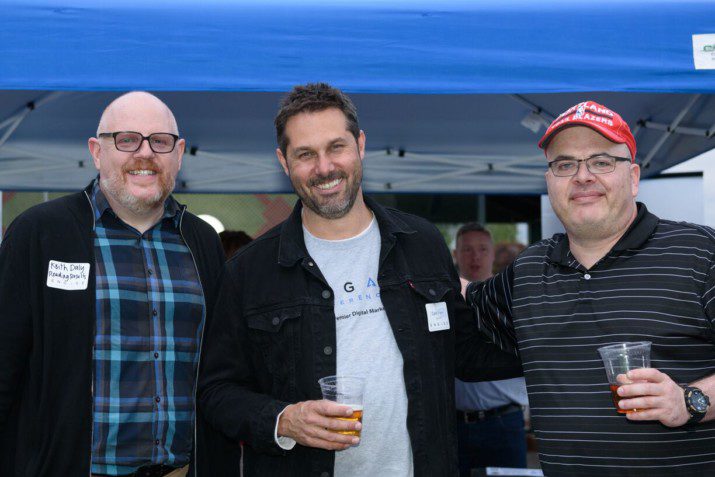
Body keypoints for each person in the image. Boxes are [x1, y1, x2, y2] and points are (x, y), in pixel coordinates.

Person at [198, 82, 522, 476]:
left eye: (336, 147)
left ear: (360, 145)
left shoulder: (421, 243)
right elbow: (216, 391)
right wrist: (283, 419)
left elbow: (465, 351)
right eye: (305, 154)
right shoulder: (249, 271)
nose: (324, 167)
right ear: (284, 162)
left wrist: (562, 341)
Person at [467, 100, 715, 476]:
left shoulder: (700, 253)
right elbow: (462, 299)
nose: (582, 176)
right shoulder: (530, 270)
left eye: (601, 161)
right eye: (565, 164)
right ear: (549, 180)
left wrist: (690, 401)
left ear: (632, 177)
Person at [0, 91, 234, 477]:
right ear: (96, 150)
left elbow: (221, 368)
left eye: (160, 142)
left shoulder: (201, 241)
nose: (145, 154)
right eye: (126, 140)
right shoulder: (40, 233)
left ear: (179, 153)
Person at [452, 223, 529, 475]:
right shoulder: (442, 302)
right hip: (454, 426)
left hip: (503, 423)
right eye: (467, 250)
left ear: (493, 254)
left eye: (482, 249)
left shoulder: (509, 299)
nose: (475, 257)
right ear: (455, 255)